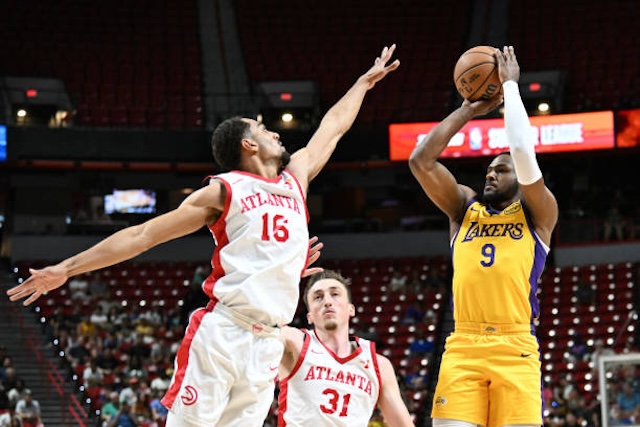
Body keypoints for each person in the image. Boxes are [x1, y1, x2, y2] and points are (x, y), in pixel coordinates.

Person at [7, 44, 399, 427]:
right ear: (248, 144)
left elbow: (332, 128)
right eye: (263, 129)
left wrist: (363, 84)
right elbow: (142, 235)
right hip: (224, 332)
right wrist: (67, 269)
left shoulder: (294, 180)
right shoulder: (224, 190)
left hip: (268, 341)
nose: (275, 133)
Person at [408, 46, 558, 427]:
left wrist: (509, 87)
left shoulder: (537, 214)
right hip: (464, 345)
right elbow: (420, 161)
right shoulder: (463, 209)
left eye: (502, 170)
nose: (491, 174)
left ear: (520, 180)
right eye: (490, 169)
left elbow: (523, 149)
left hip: (516, 346)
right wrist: (469, 109)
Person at [278, 270, 414, 426]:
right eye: (318, 297)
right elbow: (258, 326)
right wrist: (284, 272)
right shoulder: (294, 342)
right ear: (310, 316)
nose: (327, 302)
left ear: (351, 309)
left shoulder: (379, 366)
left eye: (335, 294)